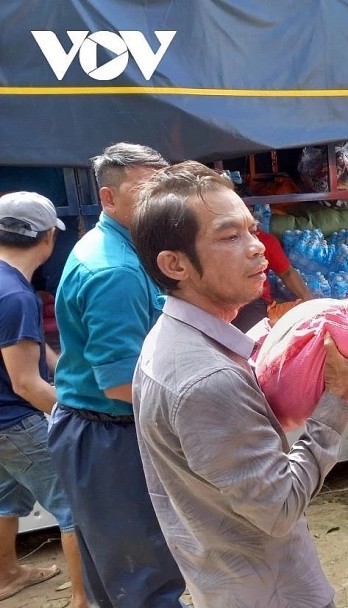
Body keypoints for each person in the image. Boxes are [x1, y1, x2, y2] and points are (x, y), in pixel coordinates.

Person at [130, 161, 348, 607]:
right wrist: (337, 396)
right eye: (229, 236)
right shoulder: (208, 379)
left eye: (251, 229)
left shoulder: (170, 338)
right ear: (175, 264)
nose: (258, 246)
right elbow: (280, 507)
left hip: (226, 576)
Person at [48, 143, 186, 606]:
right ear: (108, 198)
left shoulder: (129, 250)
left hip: (99, 429)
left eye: (165, 187)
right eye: (147, 190)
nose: (161, 200)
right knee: (145, 577)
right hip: (110, 434)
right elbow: (121, 382)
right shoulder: (116, 270)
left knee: (120, 576)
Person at [0, 193, 87, 607]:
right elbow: (26, 384)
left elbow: (31, 351)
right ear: (49, 236)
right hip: (15, 421)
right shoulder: (14, 296)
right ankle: (84, 599)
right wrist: (77, 416)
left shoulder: (10, 287)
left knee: (6, 498)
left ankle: (7, 574)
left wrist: (66, 370)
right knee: (75, 506)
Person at [231, 225, 313, 332]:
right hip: (222, 298)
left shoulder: (266, 241)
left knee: (253, 337)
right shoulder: (216, 244)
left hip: (252, 301)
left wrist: (310, 302)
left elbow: (287, 273)